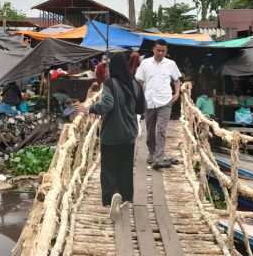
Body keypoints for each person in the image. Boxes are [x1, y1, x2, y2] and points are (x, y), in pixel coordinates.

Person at [75, 53, 146, 215]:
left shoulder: (110, 84)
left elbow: (107, 105)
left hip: (111, 134)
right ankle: (125, 196)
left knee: (109, 168)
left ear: (112, 67)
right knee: (125, 168)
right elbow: (142, 108)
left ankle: (113, 194)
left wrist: (87, 108)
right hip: (129, 134)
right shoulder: (134, 83)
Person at [135, 39, 181, 170]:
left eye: (163, 51)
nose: (161, 53)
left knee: (161, 130)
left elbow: (177, 80)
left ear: (166, 51)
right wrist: (140, 96)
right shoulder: (145, 63)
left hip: (165, 100)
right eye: (158, 50)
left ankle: (159, 157)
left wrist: (177, 93)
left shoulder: (171, 64)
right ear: (153, 49)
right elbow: (140, 82)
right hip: (149, 101)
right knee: (149, 131)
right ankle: (152, 153)